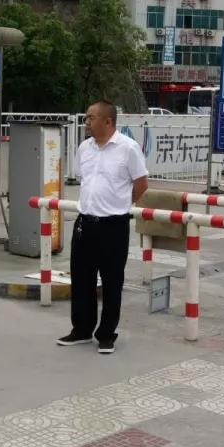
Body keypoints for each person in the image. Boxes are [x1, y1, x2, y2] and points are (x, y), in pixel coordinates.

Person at [57, 101, 149, 354]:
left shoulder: (127, 148)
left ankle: (106, 334)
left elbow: (141, 184)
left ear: (108, 121)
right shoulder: (84, 148)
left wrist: (120, 204)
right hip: (85, 223)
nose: (86, 122)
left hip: (113, 225)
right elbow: (85, 178)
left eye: (91, 118)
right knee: (81, 279)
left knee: (111, 281)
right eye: (86, 118)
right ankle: (81, 329)